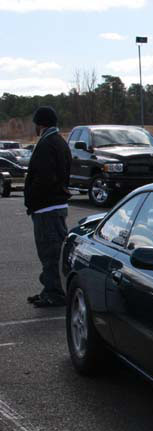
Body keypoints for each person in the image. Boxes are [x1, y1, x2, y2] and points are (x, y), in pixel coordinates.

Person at [24, 106, 72, 308]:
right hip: (55, 206)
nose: (34, 127)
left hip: (47, 208)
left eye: (35, 123)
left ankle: (55, 293)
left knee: (50, 252)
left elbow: (45, 178)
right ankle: (50, 289)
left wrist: (32, 198)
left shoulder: (47, 144)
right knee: (54, 251)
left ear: (40, 124)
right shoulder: (59, 142)